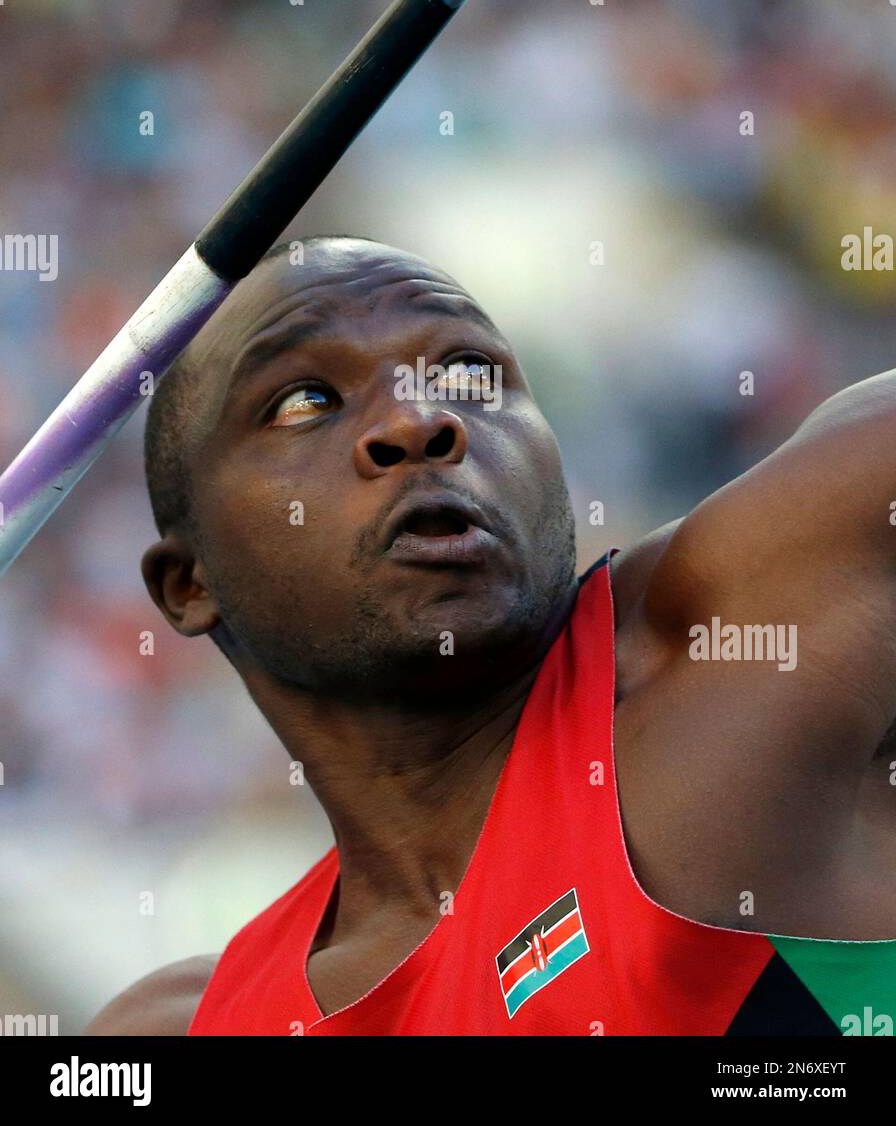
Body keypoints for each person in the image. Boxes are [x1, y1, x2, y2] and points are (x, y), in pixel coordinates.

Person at [85, 235, 896, 1036]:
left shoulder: (739, 630)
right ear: (190, 585)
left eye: (470, 373)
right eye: (307, 402)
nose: (417, 420)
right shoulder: (186, 1031)